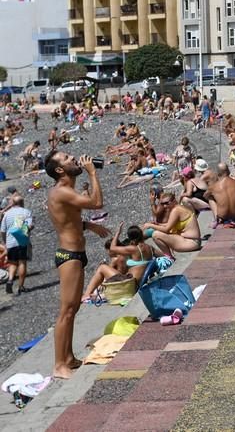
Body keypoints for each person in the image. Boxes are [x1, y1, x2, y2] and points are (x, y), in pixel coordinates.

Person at [44, 151, 109, 379]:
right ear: (60, 170)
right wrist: (92, 173)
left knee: (74, 309)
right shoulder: (61, 191)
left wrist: (89, 226)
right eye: (66, 158)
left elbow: (69, 220)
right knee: (66, 311)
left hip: (75, 253)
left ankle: (69, 357)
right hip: (68, 256)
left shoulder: (66, 192)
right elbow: (97, 202)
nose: (73, 157)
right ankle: (59, 365)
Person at [82, 223, 158, 302]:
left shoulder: (133, 249)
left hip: (130, 285)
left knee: (102, 268)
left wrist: (118, 233)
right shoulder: (149, 248)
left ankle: (87, 294)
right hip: (137, 283)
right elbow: (161, 255)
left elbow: (112, 248)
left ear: (131, 238)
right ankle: (93, 294)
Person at [143, 193, 201, 259]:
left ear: (173, 201)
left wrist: (151, 225)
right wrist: (156, 225)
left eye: (167, 203)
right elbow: (169, 225)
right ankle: (168, 256)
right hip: (192, 241)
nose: (165, 206)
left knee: (155, 235)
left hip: (191, 242)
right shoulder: (178, 207)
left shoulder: (176, 211)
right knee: (157, 231)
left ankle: (169, 258)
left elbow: (166, 229)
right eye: (162, 204)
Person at [1, 196, 33, 294]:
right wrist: (24, 229)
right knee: (22, 263)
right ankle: (21, 287)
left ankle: (10, 280)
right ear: (22, 202)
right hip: (22, 241)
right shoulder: (26, 212)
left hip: (10, 242)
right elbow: (30, 226)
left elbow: (2, 230)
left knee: (13, 263)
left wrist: (5, 242)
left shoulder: (7, 214)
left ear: (13, 203)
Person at [205, 163, 235, 228]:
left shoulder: (214, 186)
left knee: (210, 198)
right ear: (228, 171)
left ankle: (216, 219)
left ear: (218, 173)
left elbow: (205, 196)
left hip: (223, 218)